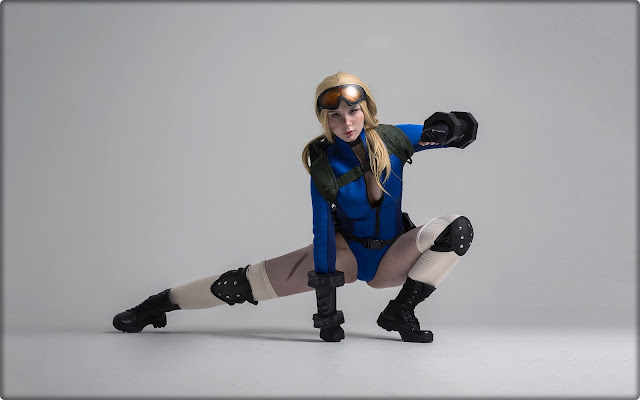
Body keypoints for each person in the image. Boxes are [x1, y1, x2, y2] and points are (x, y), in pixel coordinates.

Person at [113, 71, 475, 343]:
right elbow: (323, 234)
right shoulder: (324, 166)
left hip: (396, 255)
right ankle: (157, 305)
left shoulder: (393, 138)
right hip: (345, 255)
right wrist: (327, 313)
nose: (347, 122)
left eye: (353, 110)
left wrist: (446, 129)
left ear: (365, 110)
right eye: (335, 115)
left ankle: (400, 311)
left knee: (456, 228)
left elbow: (462, 132)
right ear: (324, 119)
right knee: (240, 285)